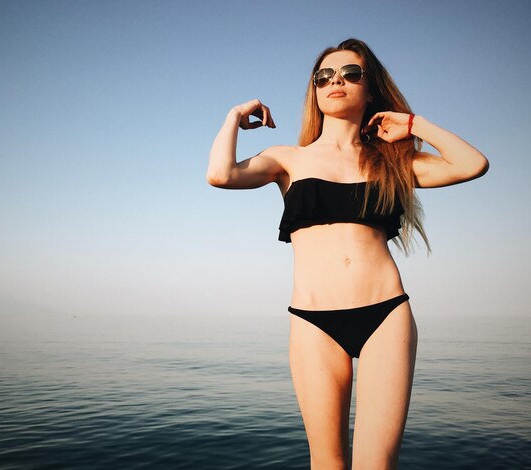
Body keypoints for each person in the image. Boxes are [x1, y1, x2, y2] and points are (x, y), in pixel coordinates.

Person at [206, 38, 488, 469]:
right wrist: (233, 116)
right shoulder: (288, 158)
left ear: (370, 88)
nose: (335, 81)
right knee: (327, 463)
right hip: (312, 320)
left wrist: (414, 125)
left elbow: (473, 164)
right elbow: (220, 175)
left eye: (350, 73)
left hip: (385, 315)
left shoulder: (393, 163)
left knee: (377, 465)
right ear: (315, 92)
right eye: (324, 76)